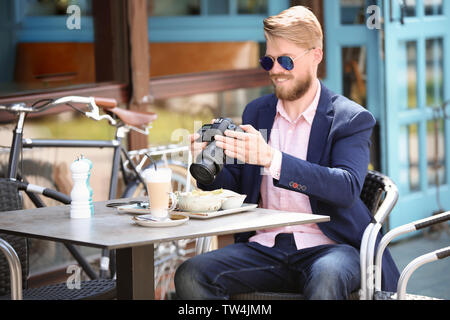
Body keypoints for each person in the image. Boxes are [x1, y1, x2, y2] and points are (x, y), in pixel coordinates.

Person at [174, 6, 400, 300]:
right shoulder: (257, 112)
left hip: (331, 248)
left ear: (316, 55)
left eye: (285, 60)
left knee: (327, 279)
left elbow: (345, 187)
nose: (275, 70)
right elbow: (235, 191)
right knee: (191, 274)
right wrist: (209, 167)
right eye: (268, 60)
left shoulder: (349, 118)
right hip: (264, 247)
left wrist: (272, 159)